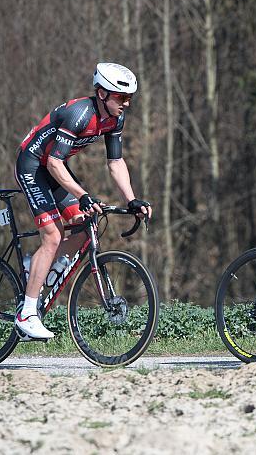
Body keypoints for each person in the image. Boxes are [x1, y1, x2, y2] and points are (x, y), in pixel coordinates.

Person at [14, 62, 152, 339]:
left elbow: (115, 162)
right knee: (52, 236)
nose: (126, 103)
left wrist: (132, 199)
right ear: (102, 94)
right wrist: (82, 194)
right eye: (120, 97)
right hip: (33, 165)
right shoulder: (79, 114)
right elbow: (53, 162)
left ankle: (37, 268)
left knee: (85, 221)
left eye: (129, 99)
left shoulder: (115, 119)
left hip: (55, 169)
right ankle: (26, 313)